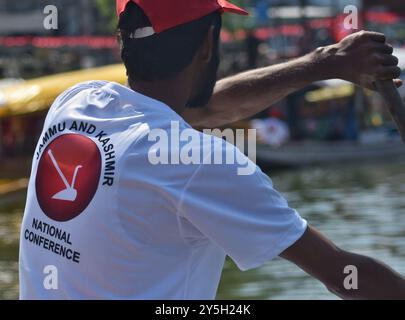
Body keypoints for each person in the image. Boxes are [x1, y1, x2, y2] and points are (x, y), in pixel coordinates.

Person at [19, 0, 405, 299]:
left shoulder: (74, 104)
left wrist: (325, 64)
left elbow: (204, 108)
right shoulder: (199, 162)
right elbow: (343, 275)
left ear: (123, 41)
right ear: (207, 44)